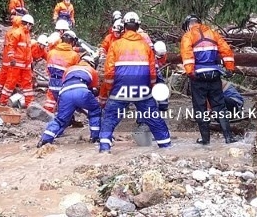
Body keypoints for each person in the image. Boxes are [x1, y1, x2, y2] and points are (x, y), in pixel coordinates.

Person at [98, 12, 171, 153]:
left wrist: (110, 89)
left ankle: (104, 148)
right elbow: (152, 72)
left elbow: (109, 71)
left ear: (124, 27)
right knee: (153, 117)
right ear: (138, 26)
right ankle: (166, 147)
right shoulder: (146, 47)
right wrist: (150, 88)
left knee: (110, 117)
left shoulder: (115, 45)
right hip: (142, 89)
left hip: (120, 88)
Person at [180, 14, 237, 144]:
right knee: (219, 107)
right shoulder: (213, 33)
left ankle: (205, 140)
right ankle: (229, 137)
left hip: (198, 77)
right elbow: (226, 51)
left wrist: (190, 72)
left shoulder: (188, 36)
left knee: (200, 108)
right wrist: (229, 68)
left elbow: (187, 54)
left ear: (188, 25)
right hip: (214, 75)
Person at [38, 54, 101, 147]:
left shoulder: (69, 69)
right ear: (92, 64)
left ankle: (45, 139)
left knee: (60, 119)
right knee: (95, 110)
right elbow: (93, 89)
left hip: (64, 93)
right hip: (82, 91)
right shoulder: (92, 71)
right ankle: (95, 136)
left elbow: (66, 83)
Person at [0, 14, 34, 107]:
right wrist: (12, 58)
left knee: (27, 84)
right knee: (10, 82)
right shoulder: (17, 33)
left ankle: (29, 103)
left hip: (25, 65)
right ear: (28, 24)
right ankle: (3, 101)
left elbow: (28, 50)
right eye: (31, 25)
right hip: (17, 64)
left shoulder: (27, 35)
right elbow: (11, 46)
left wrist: (30, 61)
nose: (31, 28)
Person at [43, 31, 81, 113]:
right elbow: (75, 72)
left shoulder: (51, 52)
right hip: (65, 84)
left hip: (52, 82)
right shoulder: (74, 55)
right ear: (72, 42)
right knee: (65, 105)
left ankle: (45, 116)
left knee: (50, 102)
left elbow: (48, 69)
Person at [0, 15, 22, 99]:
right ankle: (3, 99)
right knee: (10, 81)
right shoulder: (18, 33)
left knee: (1, 79)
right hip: (12, 60)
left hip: (6, 60)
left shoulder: (9, 32)